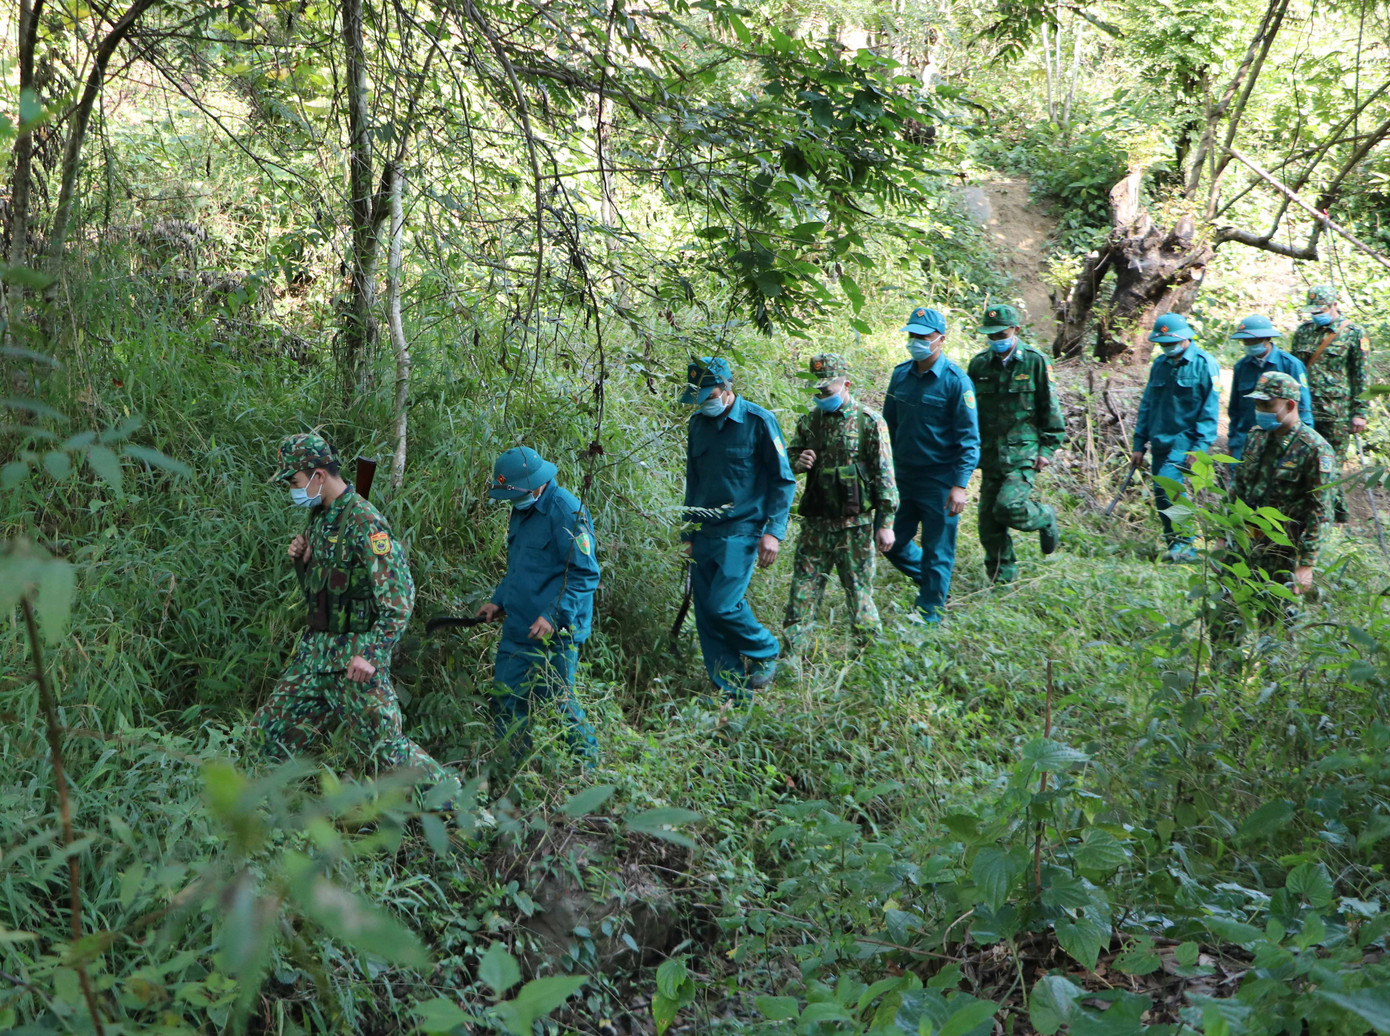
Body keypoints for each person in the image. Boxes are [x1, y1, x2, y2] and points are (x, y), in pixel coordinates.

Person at [249, 432, 454, 796]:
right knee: (266, 735)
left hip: (355, 664)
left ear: (318, 475)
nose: (293, 491)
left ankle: (466, 809)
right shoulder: (319, 517)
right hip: (315, 658)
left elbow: (400, 600)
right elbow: (322, 593)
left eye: (295, 482)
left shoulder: (365, 521)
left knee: (389, 751)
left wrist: (372, 655)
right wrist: (303, 563)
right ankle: (245, 812)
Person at [680, 357, 796, 699]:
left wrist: (773, 532)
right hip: (705, 532)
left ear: (727, 386)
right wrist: (688, 533)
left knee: (723, 605)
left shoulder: (759, 422)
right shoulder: (697, 424)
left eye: (709, 393)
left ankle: (764, 649)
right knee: (706, 613)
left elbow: (783, 480)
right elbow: (693, 482)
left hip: (741, 530)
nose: (703, 401)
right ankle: (730, 691)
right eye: (697, 396)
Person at [475, 446, 600, 762]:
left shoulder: (567, 512)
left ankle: (590, 767)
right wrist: (497, 601)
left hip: (555, 631)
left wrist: (552, 615)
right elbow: (518, 565)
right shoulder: (522, 508)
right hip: (519, 624)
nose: (513, 501)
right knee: (505, 697)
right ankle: (510, 766)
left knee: (559, 703)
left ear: (535, 483)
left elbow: (585, 575)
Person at [782, 352, 898, 655]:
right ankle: (793, 659)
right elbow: (788, 459)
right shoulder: (809, 421)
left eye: (827, 390)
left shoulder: (869, 422)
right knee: (802, 592)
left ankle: (870, 658)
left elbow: (884, 474)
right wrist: (799, 460)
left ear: (846, 384)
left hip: (855, 526)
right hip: (816, 525)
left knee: (859, 594)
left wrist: (885, 524)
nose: (821, 396)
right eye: (816, 391)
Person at [883, 306, 981, 623]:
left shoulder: (956, 382)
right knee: (890, 541)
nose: (916, 342)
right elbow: (888, 427)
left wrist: (960, 485)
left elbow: (970, 439)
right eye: (912, 335)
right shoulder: (900, 375)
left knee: (938, 550)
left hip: (940, 481)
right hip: (903, 477)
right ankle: (932, 582)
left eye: (923, 337)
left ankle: (930, 614)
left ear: (940, 339)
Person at [1220, 371, 1336, 630]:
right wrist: (1222, 534)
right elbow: (1239, 485)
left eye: (1267, 405)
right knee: (1225, 615)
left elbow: (1321, 511)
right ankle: (1224, 670)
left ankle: (1273, 673)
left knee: (1275, 627)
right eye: (1257, 404)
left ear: (1290, 404)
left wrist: (1307, 563)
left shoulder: (1314, 450)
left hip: (1283, 550)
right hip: (1244, 540)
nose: (1259, 410)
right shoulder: (1256, 437)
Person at [966, 303, 1065, 584]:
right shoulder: (979, 364)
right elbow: (970, 412)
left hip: (1024, 453)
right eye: (991, 335)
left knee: (1008, 506)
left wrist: (1048, 448)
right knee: (988, 524)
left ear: (1016, 330)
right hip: (990, 454)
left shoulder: (1035, 361)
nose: (996, 340)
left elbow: (1051, 408)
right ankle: (1002, 578)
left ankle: (1044, 516)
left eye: (1001, 334)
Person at [1130, 313, 1220, 562]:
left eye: (1171, 342)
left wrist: (1199, 448)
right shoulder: (1159, 364)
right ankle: (1175, 544)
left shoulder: (1204, 363)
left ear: (1185, 338)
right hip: (1160, 438)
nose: (1167, 347)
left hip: (1185, 440)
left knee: (1168, 487)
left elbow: (1210, 410)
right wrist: (1139, 444)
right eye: (1163, 343)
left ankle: (1185, 544)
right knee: (1161, 494)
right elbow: (1147, 405)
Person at [1288, 285, 1369, 522]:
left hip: (1336, 414)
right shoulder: (1303, 332)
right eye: (1313, 310)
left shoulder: (1353, 333)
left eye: (1321, 309)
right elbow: (1294, 370)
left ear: (1334, 305)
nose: (1316, 314)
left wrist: (1360, 412)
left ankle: (1325, 520)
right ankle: (1325, 516)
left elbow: (1361, 375)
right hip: (1304, 410)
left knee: (1329, 466)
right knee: (1303, 464)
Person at [1227, 314, 1312, 461]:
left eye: (1253, 340)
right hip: (1246, 440)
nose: (1249, 344)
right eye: (1245, 341)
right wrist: (1233, 442)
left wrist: (1302, 443)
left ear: (1267, 339)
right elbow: (1235, 408)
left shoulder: (1290, 365)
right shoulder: (1241, 367)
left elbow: (1303, 408)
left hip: (1281, 440)